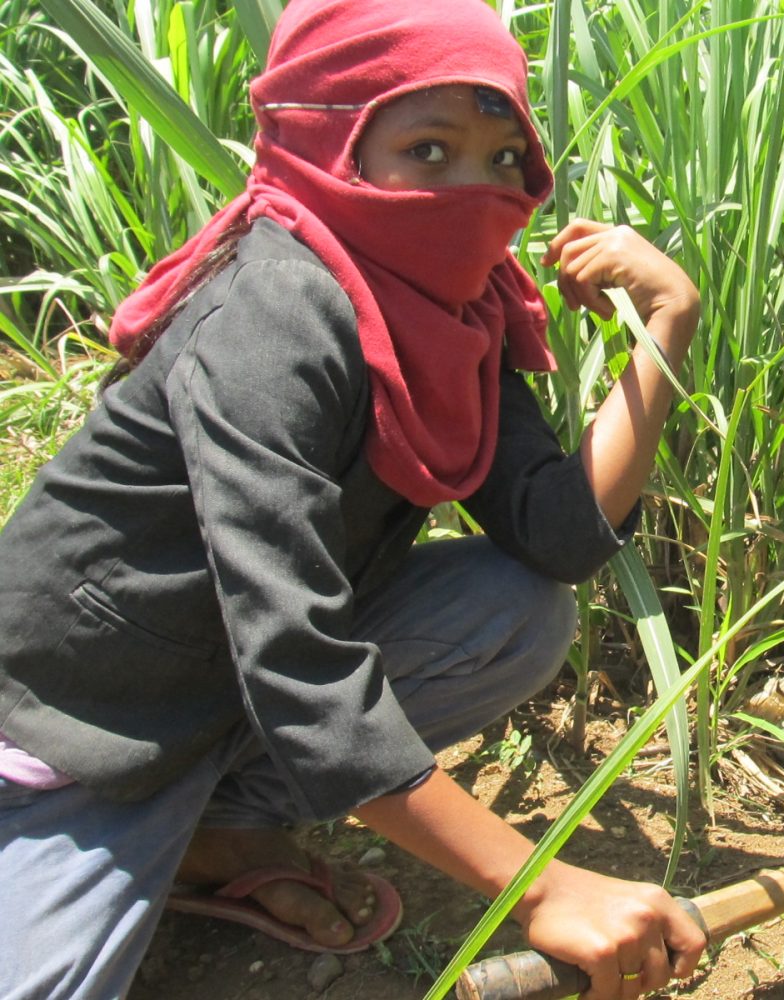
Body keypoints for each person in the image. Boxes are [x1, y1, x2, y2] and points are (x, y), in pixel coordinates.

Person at [0, 1, 706, 998]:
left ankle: (220, 821)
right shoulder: (275, 312)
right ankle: (153, 825)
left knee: (511, 611)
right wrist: (538, 888)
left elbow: (556, 533)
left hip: (218, 690)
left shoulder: (455, 307)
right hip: (77, 727)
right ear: (324, 145)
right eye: (428, 149)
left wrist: (664, 326)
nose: (475, 190)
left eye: (505, 158)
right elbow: (297, 660)